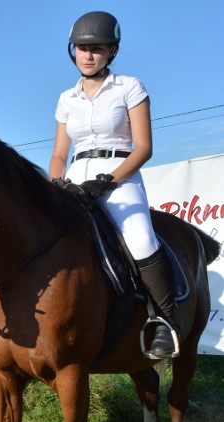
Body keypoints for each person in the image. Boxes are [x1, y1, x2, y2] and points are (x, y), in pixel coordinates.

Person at [49, 11, 177, 359]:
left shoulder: (130, 87)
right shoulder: (66, 99)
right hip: (74, 178)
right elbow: (60, 153)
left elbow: (144, 148)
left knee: (139, 239)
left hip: (120, 175)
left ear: (112, 52)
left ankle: (164, 322)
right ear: (72, 51)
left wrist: (107, 181)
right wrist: (56, 185)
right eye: (82, 48)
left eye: (97, 49)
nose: (88, 55)